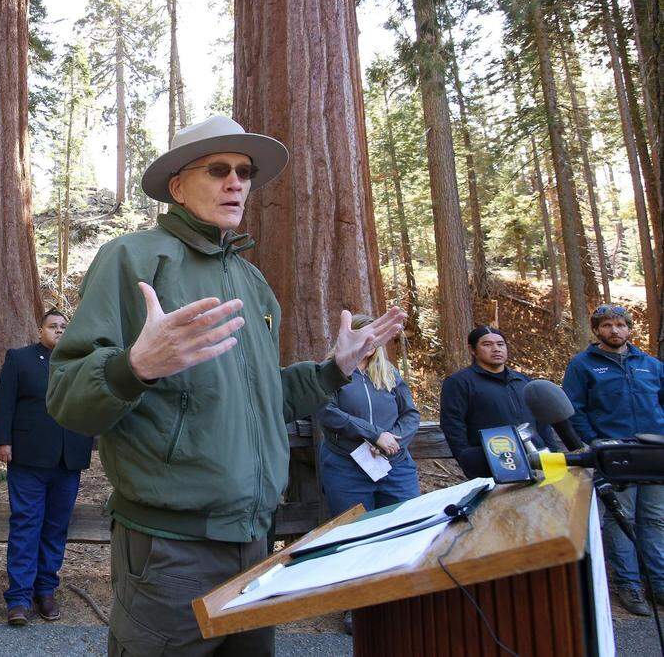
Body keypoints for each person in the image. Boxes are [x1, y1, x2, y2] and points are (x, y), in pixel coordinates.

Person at [46, 115, 406, 656]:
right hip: (169, 552)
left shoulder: (252, 282)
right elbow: (67, 397)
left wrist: (335, 370)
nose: (236, 182)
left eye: (244, 171)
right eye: (218, 169)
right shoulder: (135, 258)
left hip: (256, 541)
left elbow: (266, 401)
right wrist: (135, 366)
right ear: (177, 186)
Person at [0, 309, 95, 626]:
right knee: (26, 525)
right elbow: (2, 401)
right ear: (40, 331)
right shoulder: (20, 359)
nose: (60, 331)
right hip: (29, 459)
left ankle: (46, 591)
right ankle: (19, 598)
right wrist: (3, 441)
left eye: (65, 327)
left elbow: (91, 401)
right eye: (53, 326)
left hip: (69, 460)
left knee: (55, 527)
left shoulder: (81, 363)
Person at [563, 304, 664, 617]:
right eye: (607, 325)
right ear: (597, 330)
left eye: (620, 325)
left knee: (655, 519)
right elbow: (573, 408)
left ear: (629, 328)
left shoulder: (651, 364)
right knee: (621, 518)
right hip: (614, 452)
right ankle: (628, 583)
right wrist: (595, 442)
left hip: (654, 452)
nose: (615, 331)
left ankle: (658, 581)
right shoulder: (583, 365)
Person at [317, 313, 421, 517]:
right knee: (355, 533)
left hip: (395, 466)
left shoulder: (388, 372)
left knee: (405, 525)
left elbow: (410, 414)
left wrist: (391, 441)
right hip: (347, 466)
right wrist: (375, 435)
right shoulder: (329, 372)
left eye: (375, 336)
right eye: (364, 336)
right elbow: (327, 412)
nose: (370, 341)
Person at [439, 325, 559, 480]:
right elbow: (453, 425)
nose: (496, 349)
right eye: (487, 344)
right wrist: (468, 460)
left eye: (500, 344)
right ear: (472, 350)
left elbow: (542, 422)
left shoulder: (523, 381)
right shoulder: (459, 382)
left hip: (538, 458)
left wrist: (553, 453)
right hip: (494, 464)